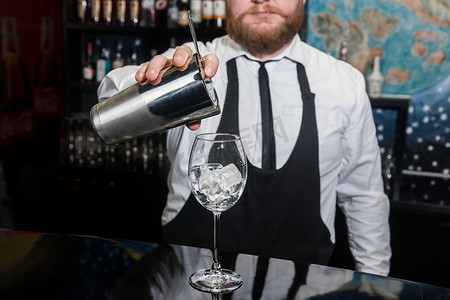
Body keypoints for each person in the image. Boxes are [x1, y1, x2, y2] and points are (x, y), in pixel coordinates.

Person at [98, 0, 391, 276]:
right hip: (188, 283)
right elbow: (109, 95)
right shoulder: (190, 69)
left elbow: (363, 196)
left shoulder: (343, 83)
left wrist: (376, 283)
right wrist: (151, 83)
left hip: (306, 287)